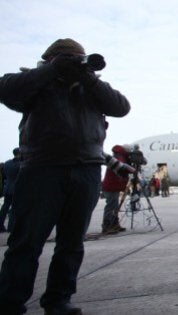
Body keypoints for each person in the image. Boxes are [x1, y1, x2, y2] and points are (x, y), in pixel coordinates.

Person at [0, 38, 130, 315]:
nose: (76, 63)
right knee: (26, 242)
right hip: (42, 169)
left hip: (86, 169)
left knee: (71, 243)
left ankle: (58, 299)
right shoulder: (35, 82)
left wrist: (89, 78)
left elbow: (121, 107)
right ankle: (10, 301)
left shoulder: (90, 87)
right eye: (69, 59)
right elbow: (6, 90)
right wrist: (51, 71)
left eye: (78, 58)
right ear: (52, 60)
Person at [100, 145, 134, 235]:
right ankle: (107, 226)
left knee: (114, 206)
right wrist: (131, 169)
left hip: (113, 185)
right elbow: (121, 168)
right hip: (111, 186)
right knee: (111, 206)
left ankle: (114, 224)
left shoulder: (119, 156)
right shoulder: (119, 157)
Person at [0, 148, 21, 233]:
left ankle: (0, 225)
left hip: (7, 188)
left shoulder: (7, 164)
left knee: (4, 208)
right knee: (14, 208)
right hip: (16, 189)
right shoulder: (21, 164)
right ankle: (11, 227)